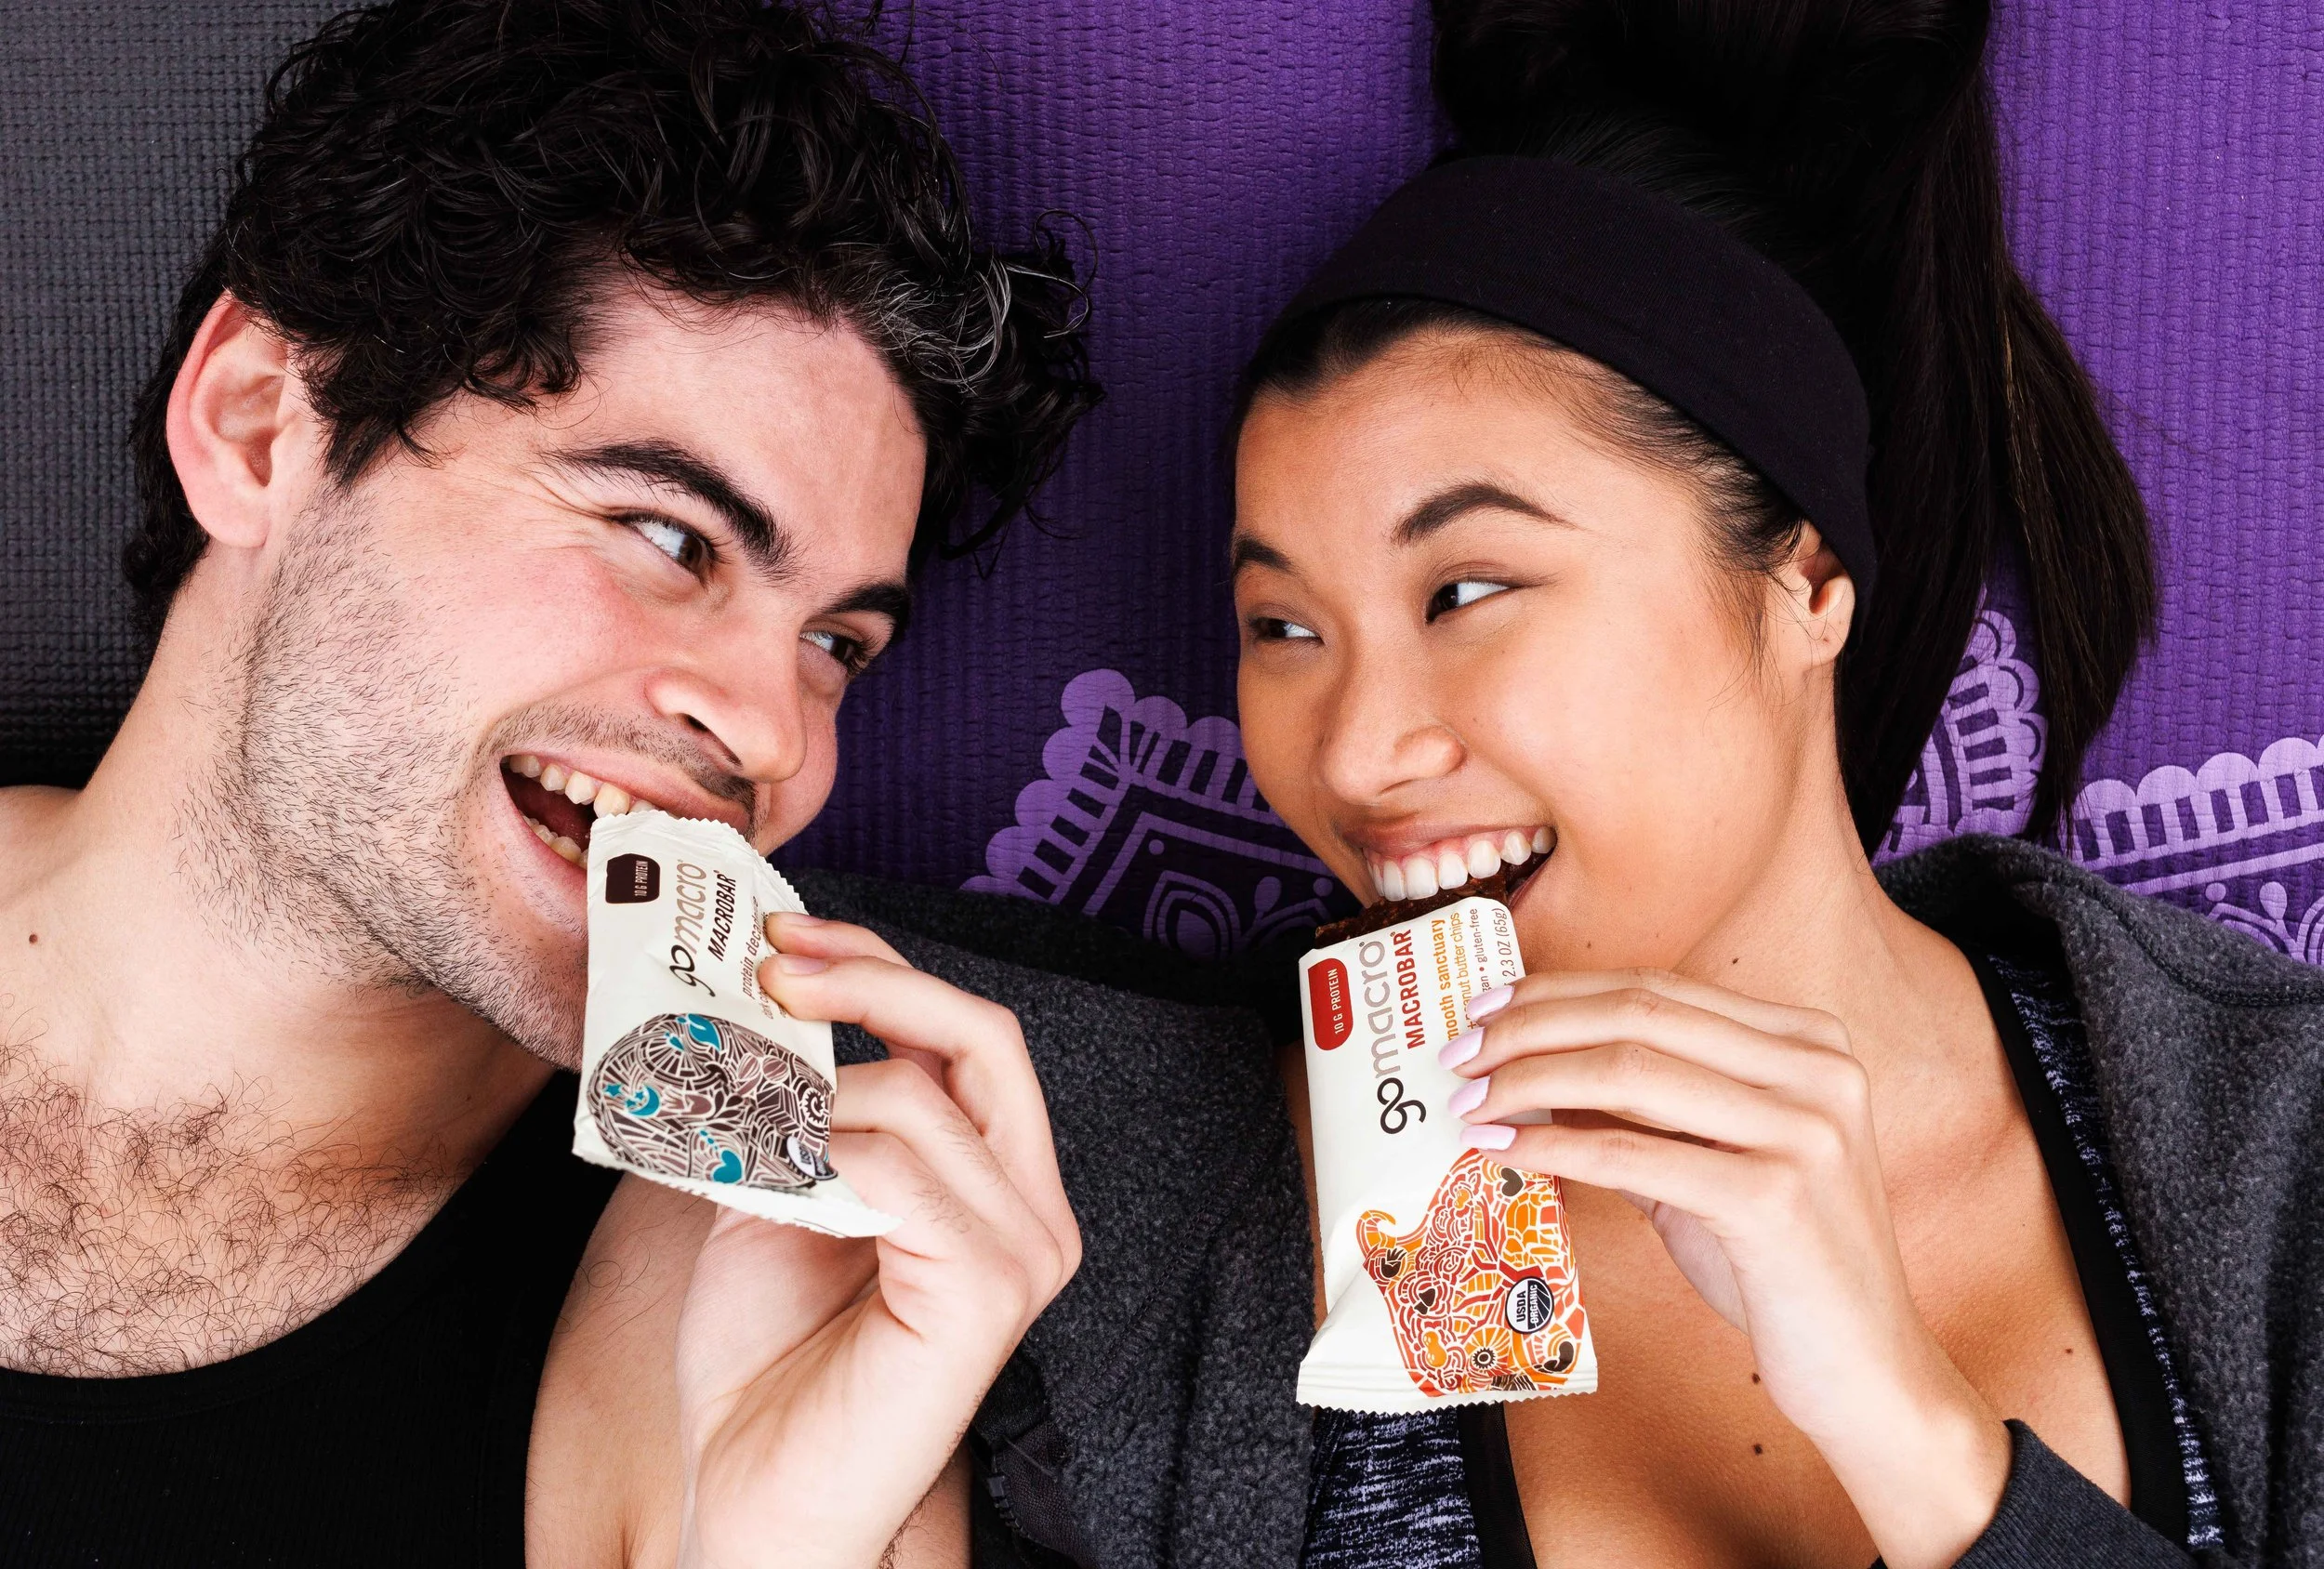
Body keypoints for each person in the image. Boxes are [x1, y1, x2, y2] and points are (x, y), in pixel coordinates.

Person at [1212, 0, 2324, 1565]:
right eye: (1282, 627)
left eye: (1466, 591)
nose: (1351, 753)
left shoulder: (2282, 1155)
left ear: (1806, 583)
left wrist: (1909, 1428)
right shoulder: (1163, 1192)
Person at [0, 1, 1097, 1563]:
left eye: (838, 644)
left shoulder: (732, 1306)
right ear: (257, 427)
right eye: (668, 536)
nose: (775, 740)